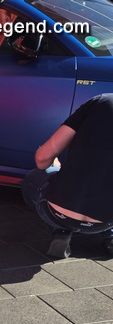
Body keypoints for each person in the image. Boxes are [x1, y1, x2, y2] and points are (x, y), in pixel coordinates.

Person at [21, 93, 113, 258]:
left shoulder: (102, 101)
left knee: (32, 179)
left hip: (57, 214)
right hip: (104, 223)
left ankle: (61, 231)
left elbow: (42, 159)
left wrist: (55, 166)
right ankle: (110, 237)